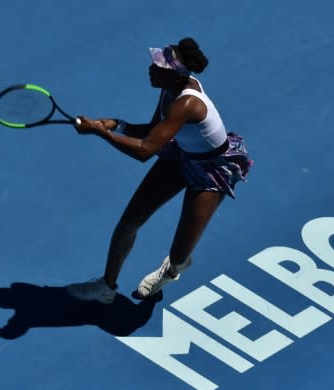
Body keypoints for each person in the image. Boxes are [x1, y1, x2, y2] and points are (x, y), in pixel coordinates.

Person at [67, 37, 252, 304]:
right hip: (180, 156)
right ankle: (107, 287)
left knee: (179, 254)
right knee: (128, 223)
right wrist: (115, 124)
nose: (151, 69)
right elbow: (152, 130)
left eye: (158, 68)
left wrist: (99, 133)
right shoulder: (168, 89)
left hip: (211, 171)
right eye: (154, 65)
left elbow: (145, 151)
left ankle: (172, 269)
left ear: (175, 75)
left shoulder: (187, 104)